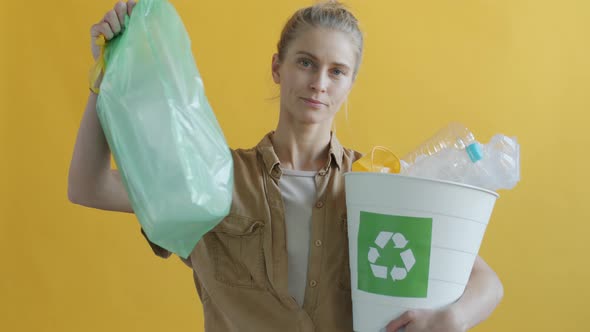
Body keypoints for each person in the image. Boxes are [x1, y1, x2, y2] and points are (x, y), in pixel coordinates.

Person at [68, 1, 504, 331]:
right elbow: (88, 187)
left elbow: (485, 280)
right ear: (278, 67)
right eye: (306, 63)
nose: (319, 82)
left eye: (337, 71)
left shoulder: (374, 184)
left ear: (351, 83)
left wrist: (453, 318)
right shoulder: (212, 179)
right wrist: (108, 73)